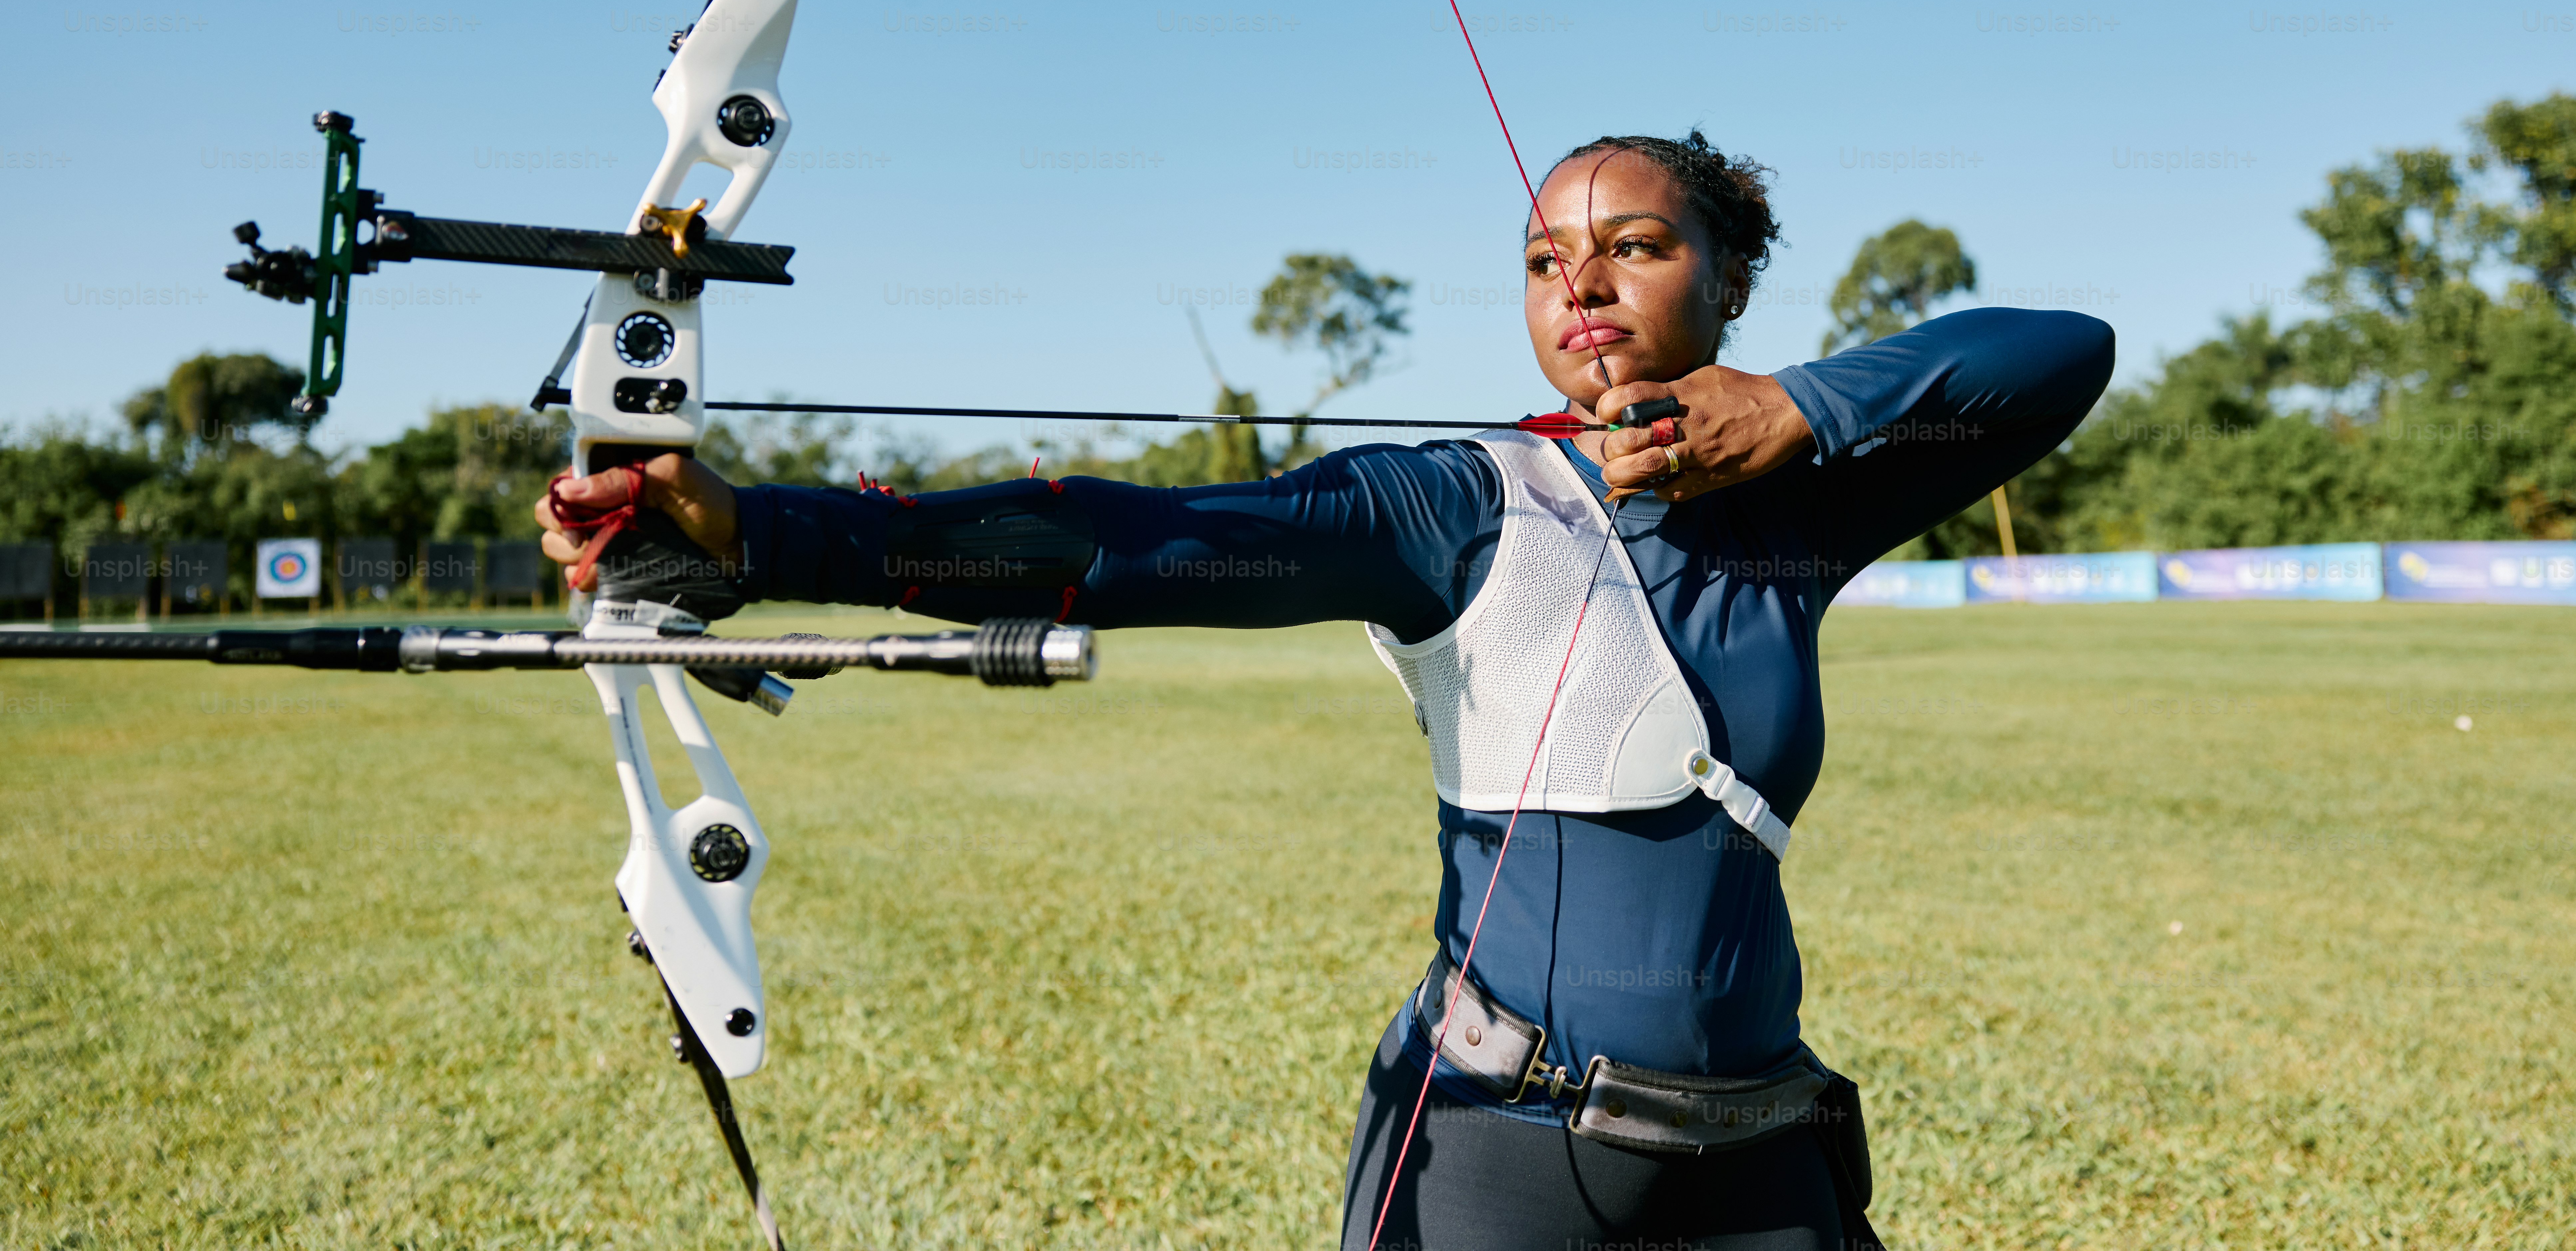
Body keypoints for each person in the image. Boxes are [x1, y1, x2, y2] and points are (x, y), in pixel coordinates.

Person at [538, 130, 2113, 1249]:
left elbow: (2060, 352)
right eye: (1543, 260)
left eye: (1634, 245)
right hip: (1505, 1150)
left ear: (1728, 277)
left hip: (1760, 1146)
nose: (1579, 281)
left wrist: (1792, 408)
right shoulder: (1454, 503)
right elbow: (1134, 538)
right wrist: (760, 531)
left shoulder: (1796, 510)